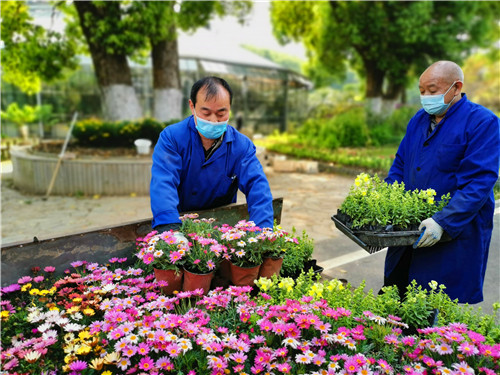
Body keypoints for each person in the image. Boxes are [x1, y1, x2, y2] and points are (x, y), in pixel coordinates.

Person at [383, 61, 500, 304]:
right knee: (398, 293)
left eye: (432, 90)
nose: (425, 97)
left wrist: (442, 221)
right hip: (410, 228)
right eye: (422, 91)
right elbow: (401, 164)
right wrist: (388, 201)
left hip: (451, 232)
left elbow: (478, 182)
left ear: (456, 88)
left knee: (435, 303)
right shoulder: (419, 120)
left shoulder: (482, 122)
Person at [150, 76, 274, 240]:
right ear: (192, 106)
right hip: (179, 221)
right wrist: (170, 229)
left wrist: (262, 232)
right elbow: (163, 183)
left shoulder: (241, 146)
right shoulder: (172, 138)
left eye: (221, 113)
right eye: (206, 112)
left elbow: (258, 187)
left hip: (223, 227)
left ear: (229, 109)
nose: (213, 120)